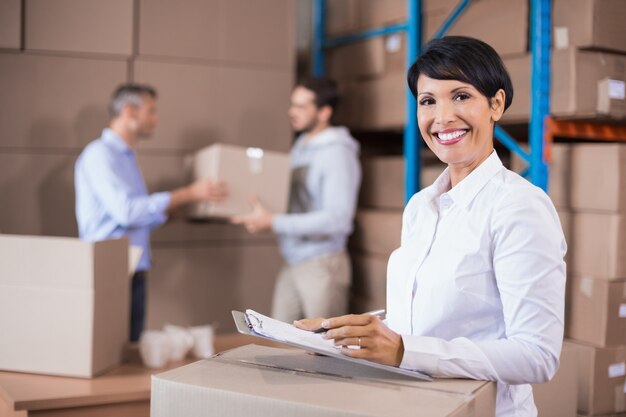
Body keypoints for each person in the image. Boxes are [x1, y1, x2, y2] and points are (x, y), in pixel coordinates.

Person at [295, 36, 566, 417]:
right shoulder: (420, 206)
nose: (442, 118)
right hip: (415, 405)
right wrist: (341, 332)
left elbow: (537, 354)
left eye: (460, 96)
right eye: (428, 101)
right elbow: (423, 316)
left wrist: (405, 351)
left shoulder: (519, 207)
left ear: (496, 104)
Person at [75, 83, 228, 342]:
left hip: (134, 269)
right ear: (128, 111)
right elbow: (126, 213)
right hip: (109, 270)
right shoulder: (100, 155)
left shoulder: (126, 158)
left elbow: (134, 220)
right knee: (111, 352)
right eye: (151, 111)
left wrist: (178, 212)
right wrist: (187, 194)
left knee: (130, 349)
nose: (156, 119)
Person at [232, 78, 362, 323]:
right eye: (293, 104)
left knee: (323, 348)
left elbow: (338, 219)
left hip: (321, 263)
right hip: (293, 259)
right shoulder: (301, 145)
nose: (292, 112)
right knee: (279, 336)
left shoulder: (337, 153)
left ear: (324, 112)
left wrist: (274, 222)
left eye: (302, 106)